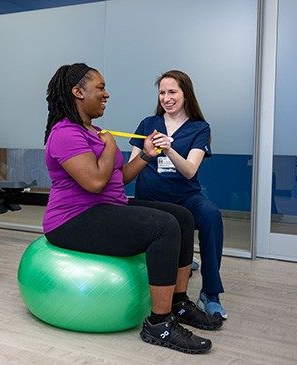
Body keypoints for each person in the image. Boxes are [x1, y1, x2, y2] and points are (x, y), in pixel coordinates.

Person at [43, 63, 222, 355]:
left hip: (106, 206)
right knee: (163, 227)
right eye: (100, 88)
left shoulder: (94, 131)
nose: (106, 94)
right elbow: (95, 182)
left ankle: (177, 303)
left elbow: (119, 177)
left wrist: (147, 156)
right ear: (78, 92)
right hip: (72, 219)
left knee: (182, 216)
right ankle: (159, 324)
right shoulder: (66, 133)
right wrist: (112, 147)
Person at [129, 69, 227, 319]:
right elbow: (129, 170)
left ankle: (210, 292)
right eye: (162, 92)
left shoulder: (199, 128)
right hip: (150, 198)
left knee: (211, 216)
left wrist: (169, 150)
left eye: (172, 91)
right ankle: (183, 261)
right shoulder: (147, 124)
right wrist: (147, 152)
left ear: (186, 94)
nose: (166, 97)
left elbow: (189, 171)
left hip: (186, 196)